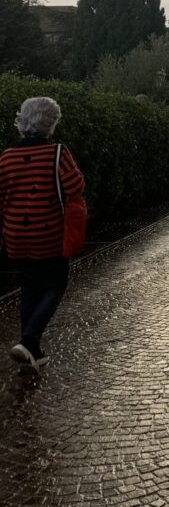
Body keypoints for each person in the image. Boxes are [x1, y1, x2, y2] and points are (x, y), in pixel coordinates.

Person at [0, 96, 85, 375]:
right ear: (50, 123)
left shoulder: (6, 157)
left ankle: (31, 352)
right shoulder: (58, 153)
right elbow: (75, 187)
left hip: (16, 235)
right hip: (49, 233)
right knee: (55, 286)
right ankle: (27, 341)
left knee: (29, 289)